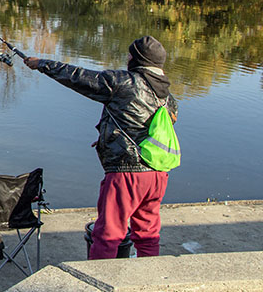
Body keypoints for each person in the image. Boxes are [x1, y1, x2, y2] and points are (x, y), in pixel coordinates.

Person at [23, 35, 178, 259]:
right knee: (147, 232)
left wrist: (42, 64)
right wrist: (109, 139)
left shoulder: (124, 83)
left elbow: (79, 78)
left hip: (127, 174)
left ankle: (99, 284)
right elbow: (150, 127)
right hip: (157, 173)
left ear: (138, 60)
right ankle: (149, 280)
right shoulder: (168, 95)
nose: (127, 58)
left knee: (108, 233)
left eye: (130, 55)